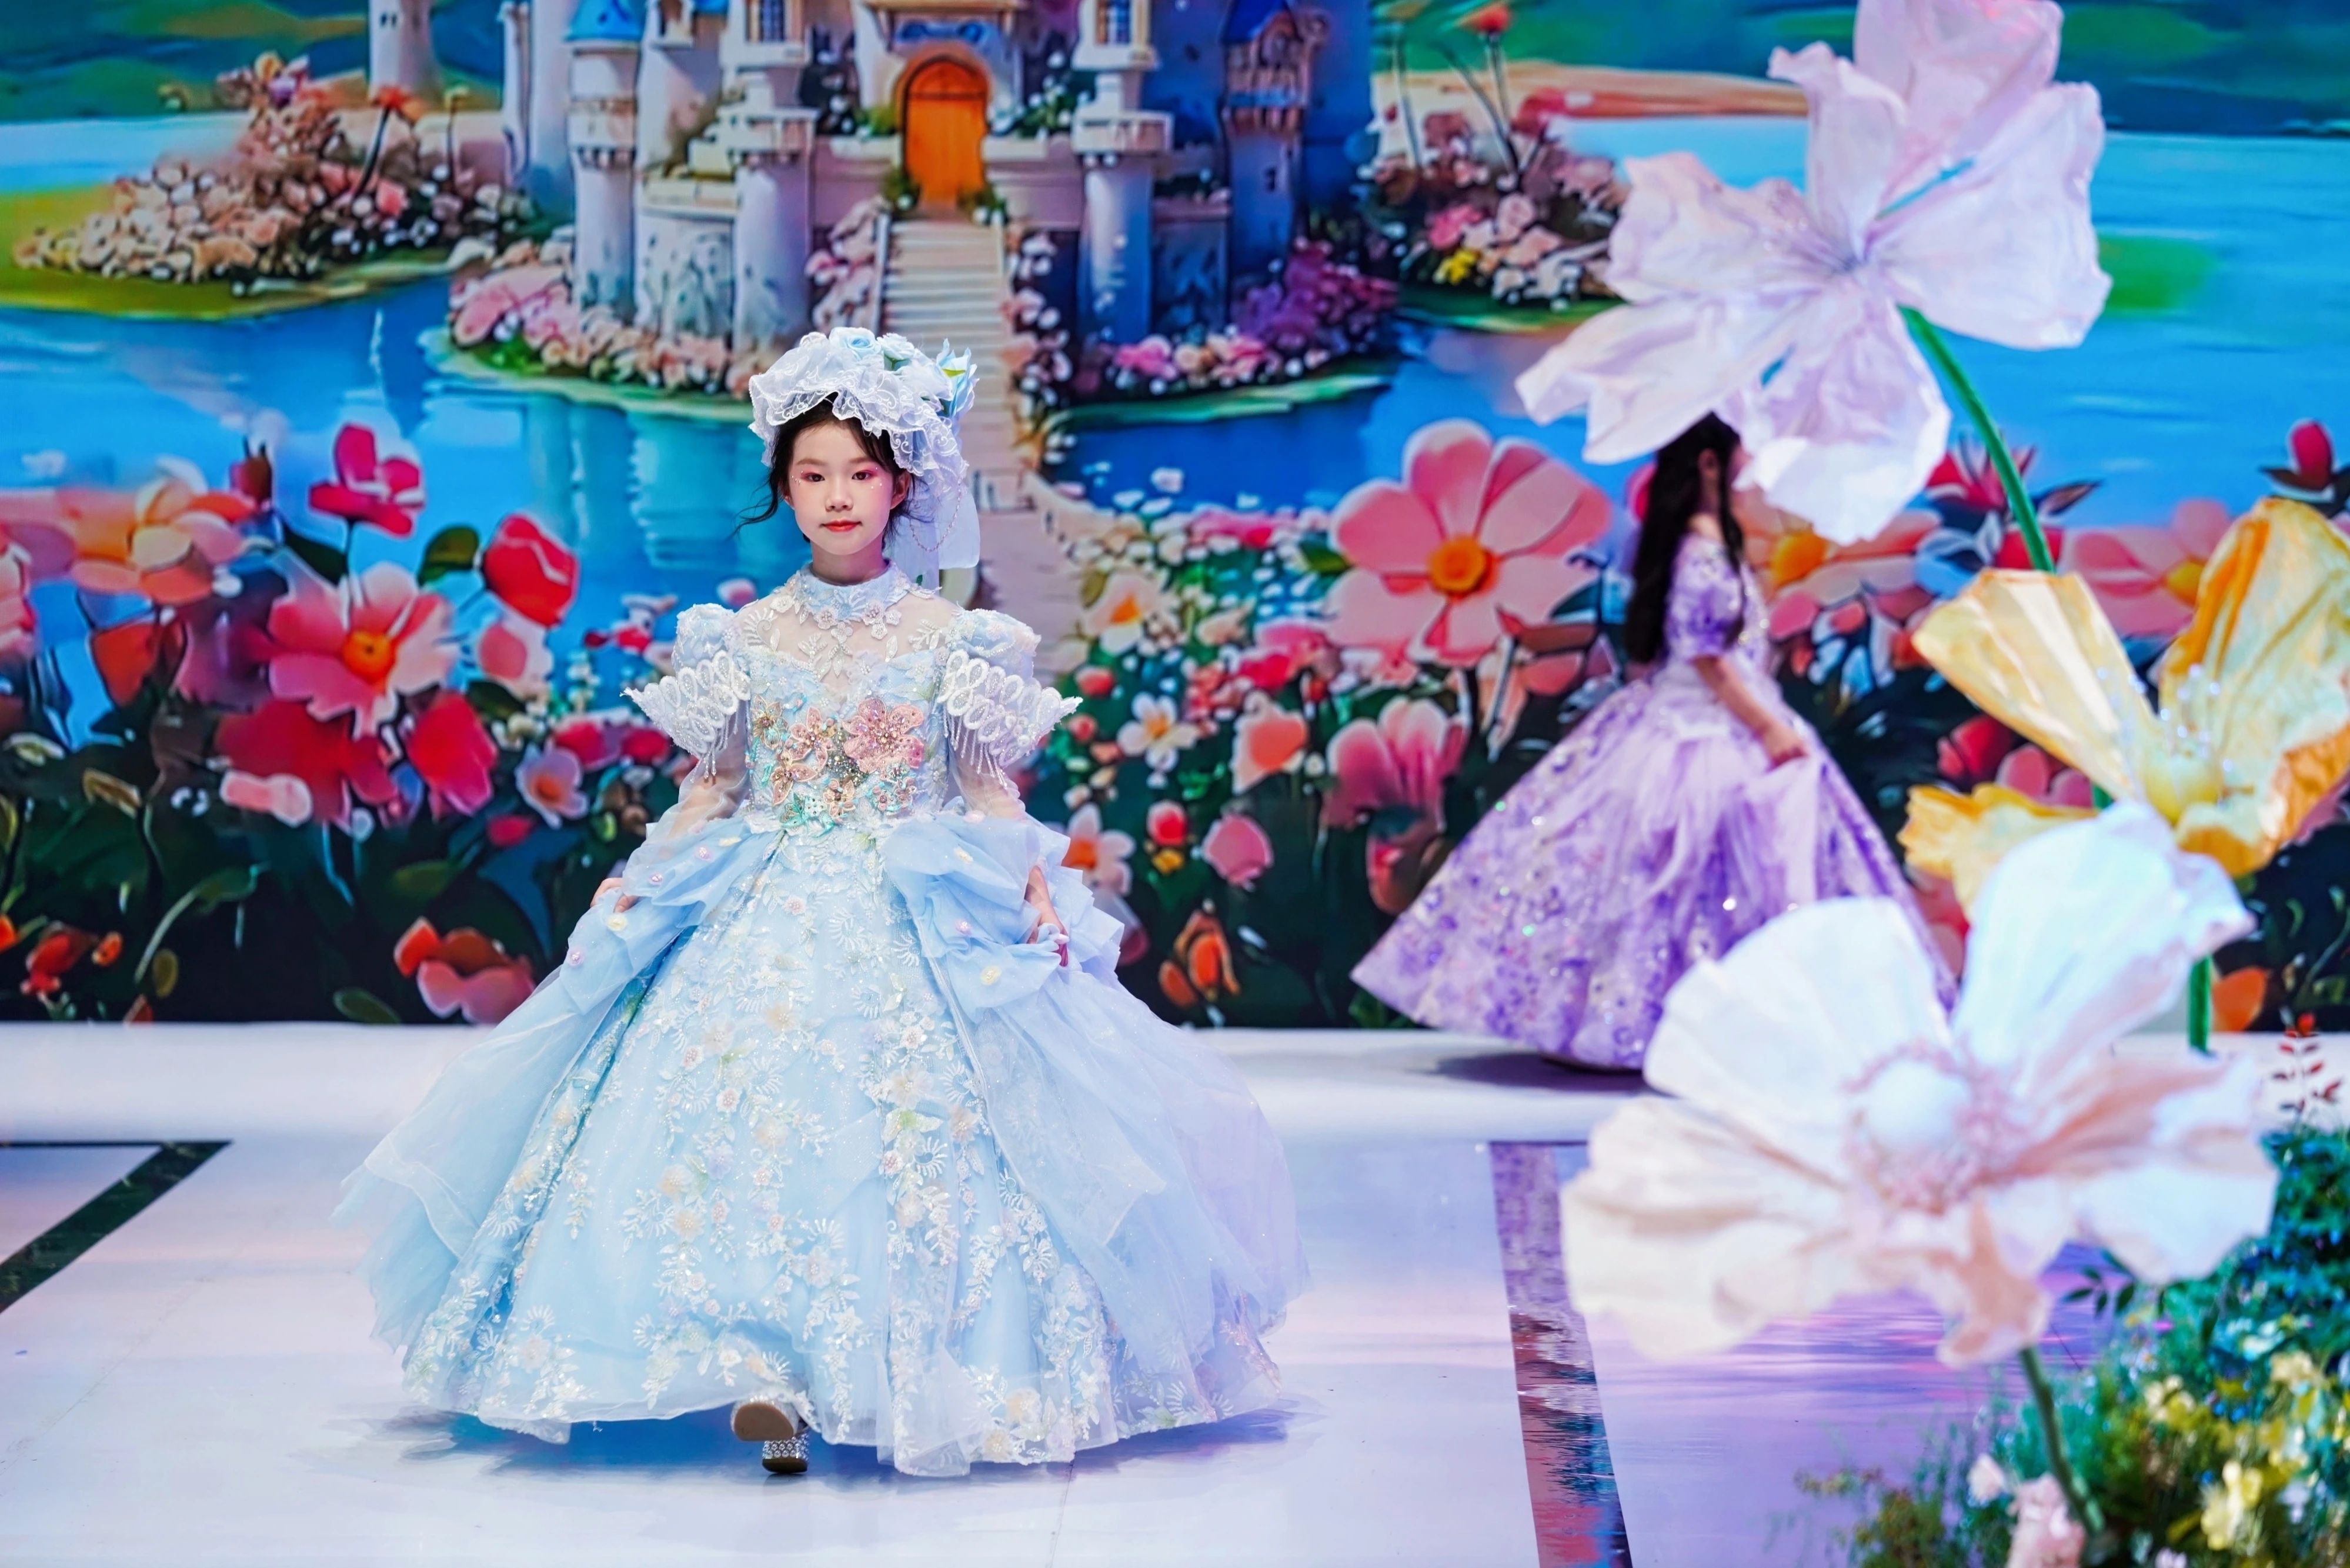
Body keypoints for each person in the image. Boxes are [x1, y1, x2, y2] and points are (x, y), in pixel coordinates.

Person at [339, 328, 1306, 1478]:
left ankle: (909, 1373)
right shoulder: (742, 638)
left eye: (859, 472)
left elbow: (985, 790)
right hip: (765, 901)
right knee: (738, 1127)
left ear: (900, 484)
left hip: (918, 908)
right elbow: (717, 788)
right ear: (783, 487)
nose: (838, 496)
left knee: (934, 1136)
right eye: (813, 474)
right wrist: (639, 879)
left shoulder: (957, 640)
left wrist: (1035, 886)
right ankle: (767, 1373)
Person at [1350, 413, 1945, 1069]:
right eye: (1737, 452)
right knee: (1681, 875)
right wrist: (1769, 726)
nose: (1749, 464)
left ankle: (1699, 1025)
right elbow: (1708, 656)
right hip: (1701, 728)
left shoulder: (1703, 544)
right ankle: (1663, 1025)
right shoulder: (1700, 551)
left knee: (1695, 881)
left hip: (1698, 721)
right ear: (1710, 464)